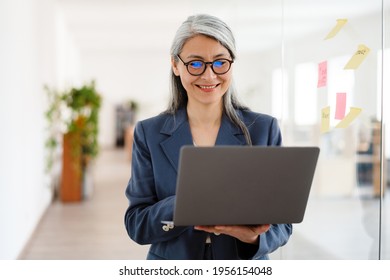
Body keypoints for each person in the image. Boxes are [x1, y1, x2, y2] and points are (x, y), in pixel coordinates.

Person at [124, 14, 292, 260]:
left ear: (231, 63)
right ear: (175, 65)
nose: (209, 75)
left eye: (220, 62)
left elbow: (283, 225)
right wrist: (187, 203)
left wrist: (252, 237)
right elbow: (136, 224)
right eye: (195, 63)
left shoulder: (263, 129)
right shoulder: (148, 133)